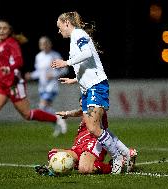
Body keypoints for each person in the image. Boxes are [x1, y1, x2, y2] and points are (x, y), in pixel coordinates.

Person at [0, 19, 67, 153]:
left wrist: (9, 68)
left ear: (9, 31)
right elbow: (1, 65)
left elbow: (19, 61)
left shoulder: (11, 43)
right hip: (1, 85)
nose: (1, 30)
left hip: (14, 84)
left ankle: (56, 118)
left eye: (4, 28)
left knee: (27, 114)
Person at [51, 11, 132, 174]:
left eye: (60, 27)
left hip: (96, 86)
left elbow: (87, 53)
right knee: (95, 127)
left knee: (94, 128)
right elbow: (88, 64)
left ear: (67, 22)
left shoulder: (78, 34)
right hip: (89, 88)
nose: (59, 32)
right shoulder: (76, 38)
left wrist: (65, 62)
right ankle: (124, 153)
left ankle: (117, 157)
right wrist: (74, 79)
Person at [35, 98, 137, 175]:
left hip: (93, 144)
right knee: (53, 153)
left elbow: (109, 133)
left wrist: (124, 150)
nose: (82, 106)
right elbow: (80, 111)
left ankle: (113, 165)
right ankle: (61, 168)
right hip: (79, 146)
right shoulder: (86, 111)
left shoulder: (97, 110)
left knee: (85, 169)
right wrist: (67, 114)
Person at [24, 36, 68, 136]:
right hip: (42, 86)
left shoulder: (55, 55)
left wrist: (53, 74)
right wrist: (31, 75)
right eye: (42, 43)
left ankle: (59, 119)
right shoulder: (38, 57)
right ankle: (57, 125)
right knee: (45, 109)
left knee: (43, 106)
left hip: (52, 86)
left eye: (46, 43)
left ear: (50, 44)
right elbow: (39, 72)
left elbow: (65, 69)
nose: (44, 45)